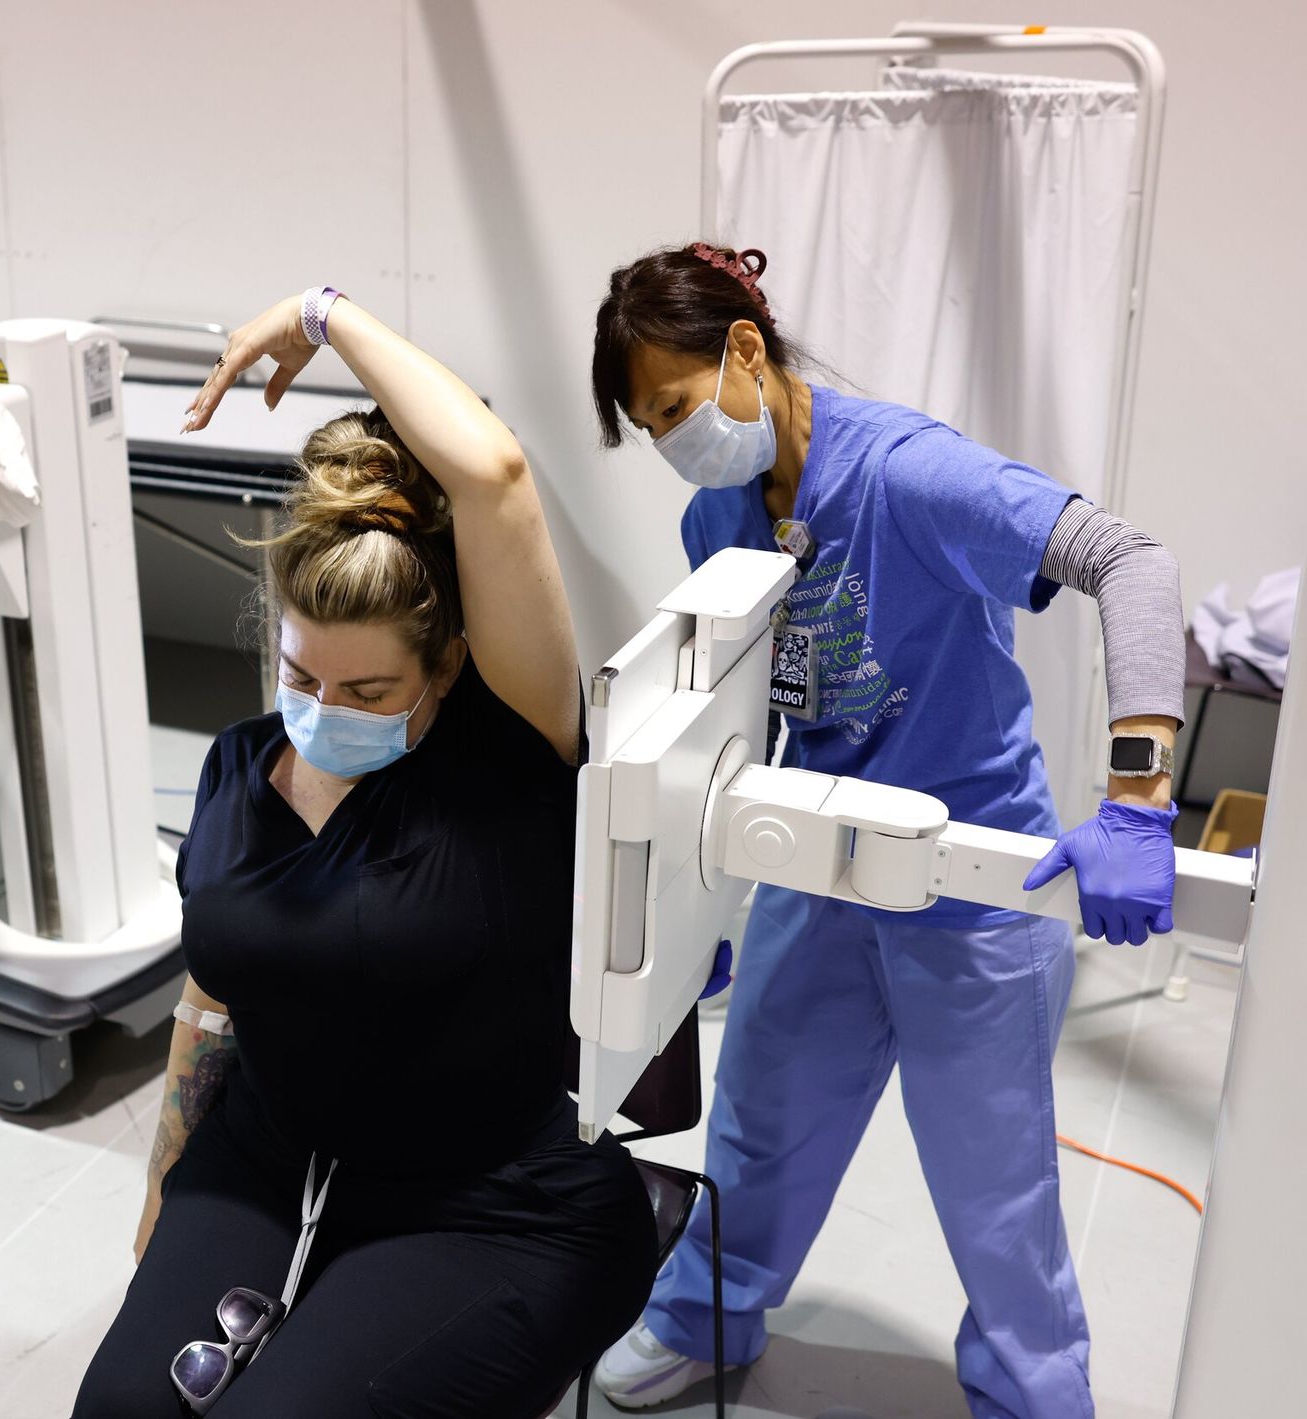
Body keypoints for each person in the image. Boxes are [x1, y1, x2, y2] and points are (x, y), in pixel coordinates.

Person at [586, 244, 1186, 1419]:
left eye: (673, 407)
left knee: (990, 1185)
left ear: (743, 352)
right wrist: (693, 896)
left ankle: (1030, 1390)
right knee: (758, 1127)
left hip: (969, 885)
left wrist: (1134, 801)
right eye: (648, 428)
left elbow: (1132, 563)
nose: (671, 446)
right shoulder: (717, 516)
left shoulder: (907, 475)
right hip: (816, 869)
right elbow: (740, 706)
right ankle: (705, 1316)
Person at [71, 289, 658, 1417]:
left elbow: (490, 475)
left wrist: (320, 314)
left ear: (444, 668)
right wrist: (166, 1178)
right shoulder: (239, 771)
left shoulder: (504, 759)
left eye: (368, 689)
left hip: (497, 1202)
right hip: (273, 1156)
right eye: (302, 677)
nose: (324, 707)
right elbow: (215, 992)